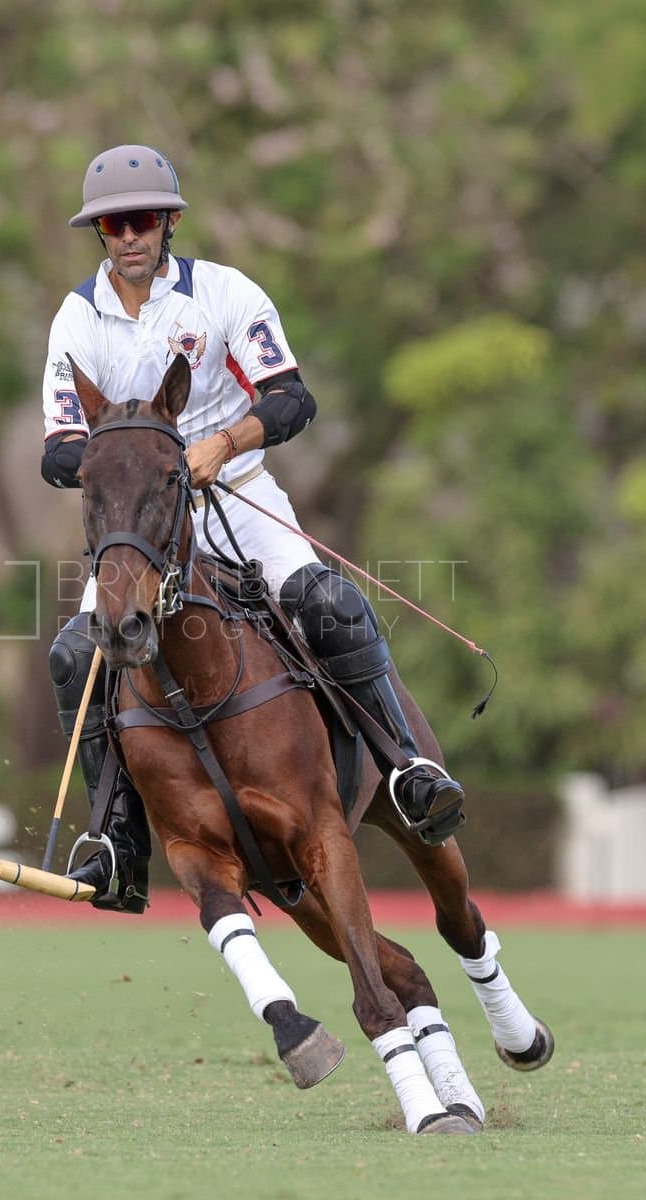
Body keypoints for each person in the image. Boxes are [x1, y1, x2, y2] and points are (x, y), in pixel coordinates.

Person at [41, 144, 465, 913]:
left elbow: (290, 398)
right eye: (111, 225)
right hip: (142, 522)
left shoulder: (224, 294)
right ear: (98, 234)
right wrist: (132, 465)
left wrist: (222, 444)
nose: (127, 235)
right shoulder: (77, 319)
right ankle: (114, 841)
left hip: (235, 494)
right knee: (76, 656)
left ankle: (406, 771)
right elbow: (58, 449)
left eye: (141, 219)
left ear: (168, 222)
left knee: (326, 602)